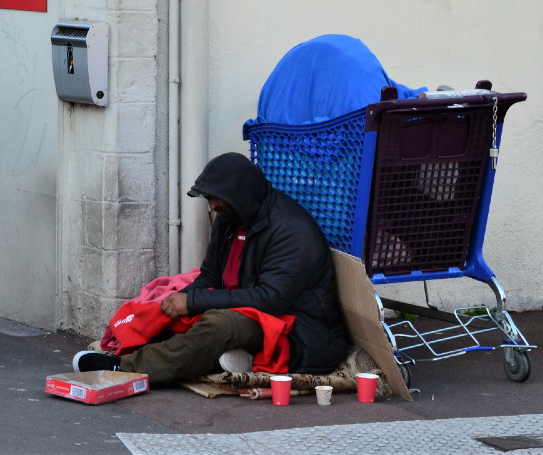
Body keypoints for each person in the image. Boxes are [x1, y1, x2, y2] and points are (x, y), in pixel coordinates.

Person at [74, 152, 349, 384]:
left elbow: (270, 299)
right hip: (251, 312)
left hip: (299, 333)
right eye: (209, 199)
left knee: (218, 324)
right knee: (171, 309)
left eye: (217, 198)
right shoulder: (230, 218)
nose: (213, 206)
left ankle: (124, 369)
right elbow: (210, 276)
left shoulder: (293, 231)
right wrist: (175, 306)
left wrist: (193, 301)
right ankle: (230, 358)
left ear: (240, 195)